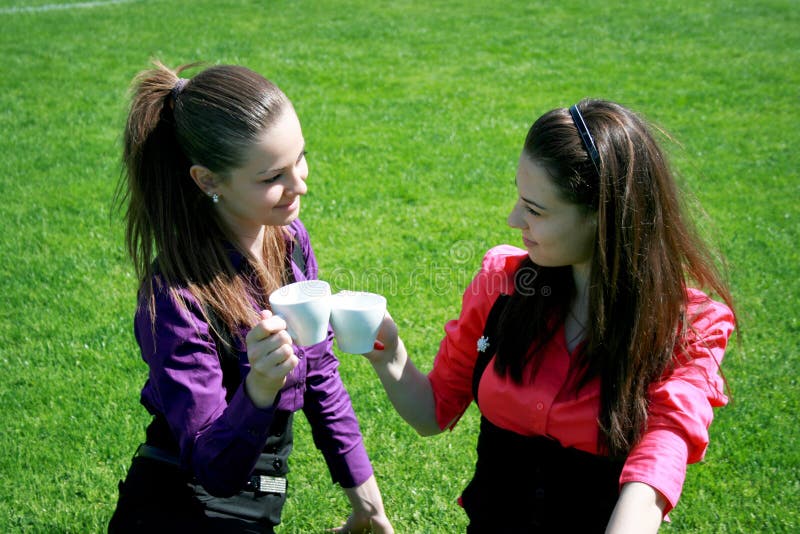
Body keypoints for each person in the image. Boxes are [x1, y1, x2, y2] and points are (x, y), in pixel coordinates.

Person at [362, 99, 736, 532]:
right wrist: (388, 356)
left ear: (603, 217)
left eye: (535, 210)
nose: (512, 218)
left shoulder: (689, 326)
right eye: (520, 199)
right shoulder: (501, 282)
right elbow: (434, 413)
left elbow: (658, 461)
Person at [108, 61, 393, 533]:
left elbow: (319, 372)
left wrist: (367, 503)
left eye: (300, 158)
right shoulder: (176, 298)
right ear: (208, 181)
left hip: (263, 493)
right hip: (183, 503)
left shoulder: (289, 241)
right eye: (271, 177)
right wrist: (259, 388)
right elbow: (213, 471)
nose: (300, 184)